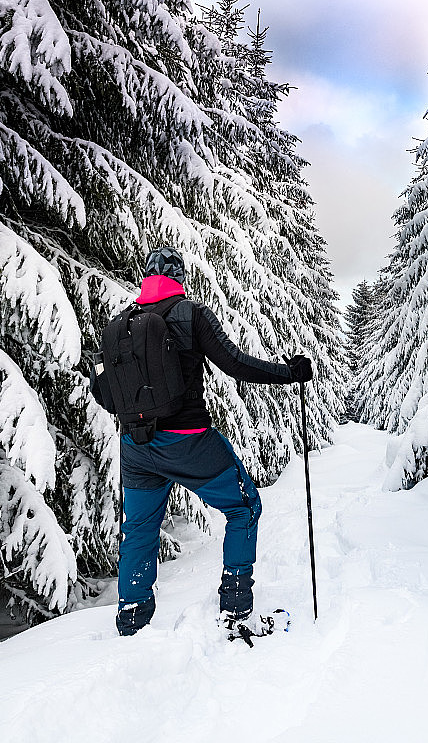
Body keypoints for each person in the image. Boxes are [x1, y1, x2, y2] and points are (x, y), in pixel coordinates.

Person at [90, 246, 313, 637]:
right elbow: (235, 363)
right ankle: (236, 609)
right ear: (180, 278)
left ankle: (132, 621)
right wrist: (288, 373)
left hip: (136, 447)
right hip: (188, 442)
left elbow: (102, 390)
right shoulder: (190, 314)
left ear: (147, 278)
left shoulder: (123, 323)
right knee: (244, 507)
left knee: (139, 530)